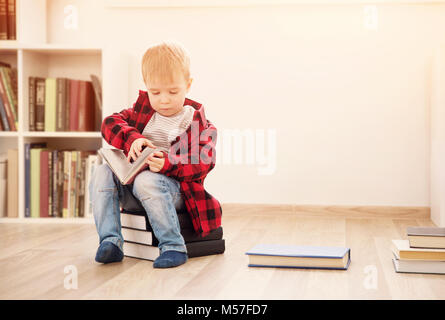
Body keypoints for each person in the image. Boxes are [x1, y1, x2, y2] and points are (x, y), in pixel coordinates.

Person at [89, 40, 222, 268]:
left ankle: (173, 246)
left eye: (173, 91)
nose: (164, 99)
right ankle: (110, 242)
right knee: (102, 172)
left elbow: (204, 161)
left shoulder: (200, 124)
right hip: (135, 190)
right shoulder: (141, 113)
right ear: (146, 86)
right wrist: (133, 138)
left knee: (147, 179)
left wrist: (168, 163)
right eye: (155, 92)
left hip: (177, 193)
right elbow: (109, 123)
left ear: (188, 84)